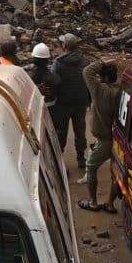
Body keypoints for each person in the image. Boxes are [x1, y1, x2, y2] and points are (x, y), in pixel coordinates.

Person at [77, 58, 127, 213]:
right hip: (120, 138)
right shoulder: (121, 90)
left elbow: (87, 71)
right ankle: (110, 203)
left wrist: (104, 61)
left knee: (91, 166)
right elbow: (125, 68)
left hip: (106, 139)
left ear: (104, 79)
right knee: (115, 171)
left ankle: (93, 202)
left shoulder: (100, 92)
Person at [51, 33, 90, 168]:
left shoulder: (58, 62)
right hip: (81, 101)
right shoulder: (85, 61)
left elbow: (54, 82)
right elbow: (89, 82)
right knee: (80, 130)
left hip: (63, 102)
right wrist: (88, 100)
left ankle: (60, 159)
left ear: (65, 45)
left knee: (62, 131)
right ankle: (81, 158)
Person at [28, 43, 57, 113]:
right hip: (51, 110)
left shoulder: (29, 77)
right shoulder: (54, 77)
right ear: (47, 59)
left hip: (35, 110)